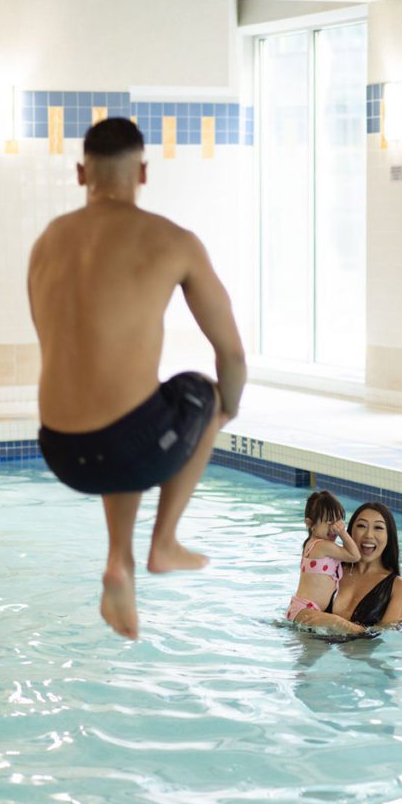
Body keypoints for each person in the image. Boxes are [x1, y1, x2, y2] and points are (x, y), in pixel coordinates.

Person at [27, 117, 247, 641]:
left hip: (58, 448)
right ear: (143, 171)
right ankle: (163, 543)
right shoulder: (173, 240)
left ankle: (118, 563)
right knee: (201, 390)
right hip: (127, 445)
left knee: (126, 410)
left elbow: (59, 346)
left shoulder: (47, 242)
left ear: (82, 173)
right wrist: (224, 411)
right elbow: (232, 353)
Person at [290, 501, 402, 635]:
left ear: (389, 536)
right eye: (361, 526)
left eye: (378, 528)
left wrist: (336, 622)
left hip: (359, 655)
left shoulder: (399, 587)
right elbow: (301, 612)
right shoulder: (330, 570)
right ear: (349, 532)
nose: (368, 535)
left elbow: (385, 640)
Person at [285, 490, 361, 623]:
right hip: (307, 610)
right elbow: (355, 556)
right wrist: (343, 533)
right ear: (310, 524)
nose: (334, 528)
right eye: (328, 522)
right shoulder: (322, 546)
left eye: (337, 522)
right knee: (341, 626)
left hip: (300, 608)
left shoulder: (310, 544)